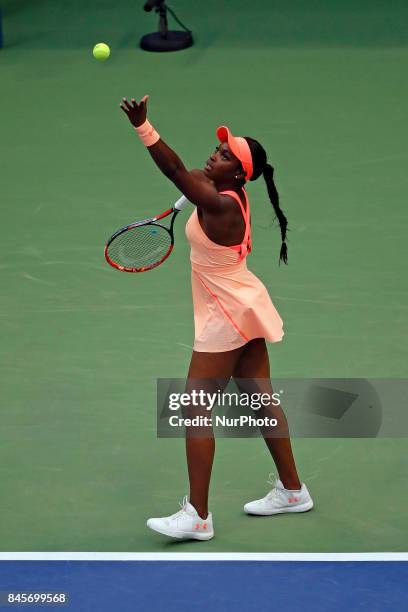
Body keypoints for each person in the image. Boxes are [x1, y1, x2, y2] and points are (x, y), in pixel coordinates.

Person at [120, 95, 313, 541]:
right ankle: (292, 491)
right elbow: (187, 177)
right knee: (260, 398)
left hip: (225, 314)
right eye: (218, 149)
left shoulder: (219, 203)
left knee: (194, 407)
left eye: (226, 156)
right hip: (243, 302)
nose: (216, 155)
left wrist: (143, 126)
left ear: (239, 174)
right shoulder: (230, 196)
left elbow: (174, 170)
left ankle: (198, 516)